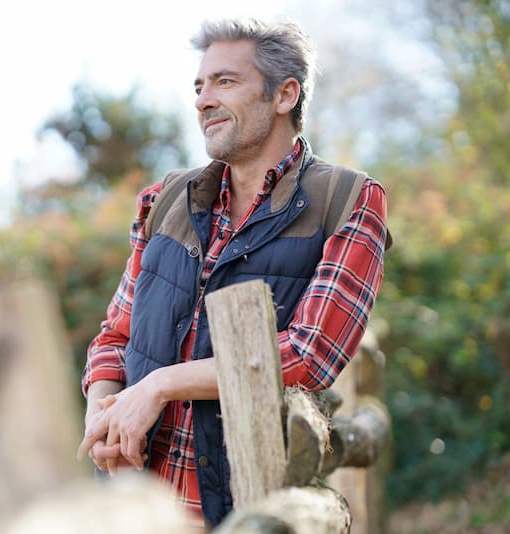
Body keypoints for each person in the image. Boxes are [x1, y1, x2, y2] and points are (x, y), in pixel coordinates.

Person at [76, 17, 389, 529]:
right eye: (199, 86)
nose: (201, 100)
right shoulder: (162, 200)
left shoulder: (348, 200)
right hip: (133, 505)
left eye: (225, 81)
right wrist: (102, 411)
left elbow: (309, 355)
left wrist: (159, 385)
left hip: (239, 509)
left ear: (285, 94)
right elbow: (115, 335)